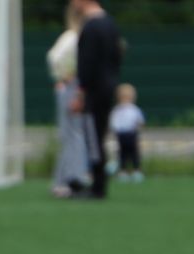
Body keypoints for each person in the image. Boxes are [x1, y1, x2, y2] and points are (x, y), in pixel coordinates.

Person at [70, 0, 121, 199]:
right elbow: (118, 56)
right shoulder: (110, 24)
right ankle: (97, 183)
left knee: (93, 138)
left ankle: (97, 187)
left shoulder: (91, 27)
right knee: (98, 136)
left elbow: (86, 64)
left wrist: (80, 94)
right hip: (107, 87)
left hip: (94, 91)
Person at [47, 7, 93, 196]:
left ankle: (65, 180)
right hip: (72, 86)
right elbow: (54, 59)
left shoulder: (73, 36)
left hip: (69, 85)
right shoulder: (73, 37)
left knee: (72, 136)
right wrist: (65, 77)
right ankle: (69, 180)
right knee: (73, 136)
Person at [110, 83, 144, 180]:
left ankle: (137, 170)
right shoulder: (117, 110)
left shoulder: (134, 109)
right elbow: (114, 122)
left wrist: (138, 129)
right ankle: (123, 171)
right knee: (122, 154)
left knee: (134, 153)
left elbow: (139, 121)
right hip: (121, 135)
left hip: (132, 134)